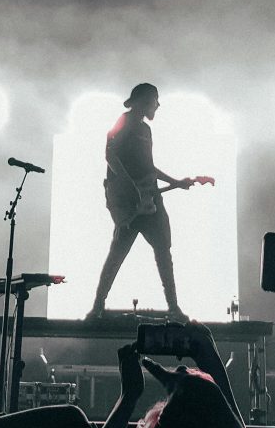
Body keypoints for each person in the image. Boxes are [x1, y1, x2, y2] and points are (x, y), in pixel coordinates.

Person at [86, 83, 205, 320]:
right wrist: (133, 190)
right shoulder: (124, 121)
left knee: (163, 252)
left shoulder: (146, 130)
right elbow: (110, 156)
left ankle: (173, 307)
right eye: (155, 100)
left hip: (150, 200)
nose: (158, 105)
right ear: (142, 100)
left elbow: (148, 168)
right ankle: (97, 306)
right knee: (117, 253)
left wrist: (176, 181)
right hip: (132, 203)